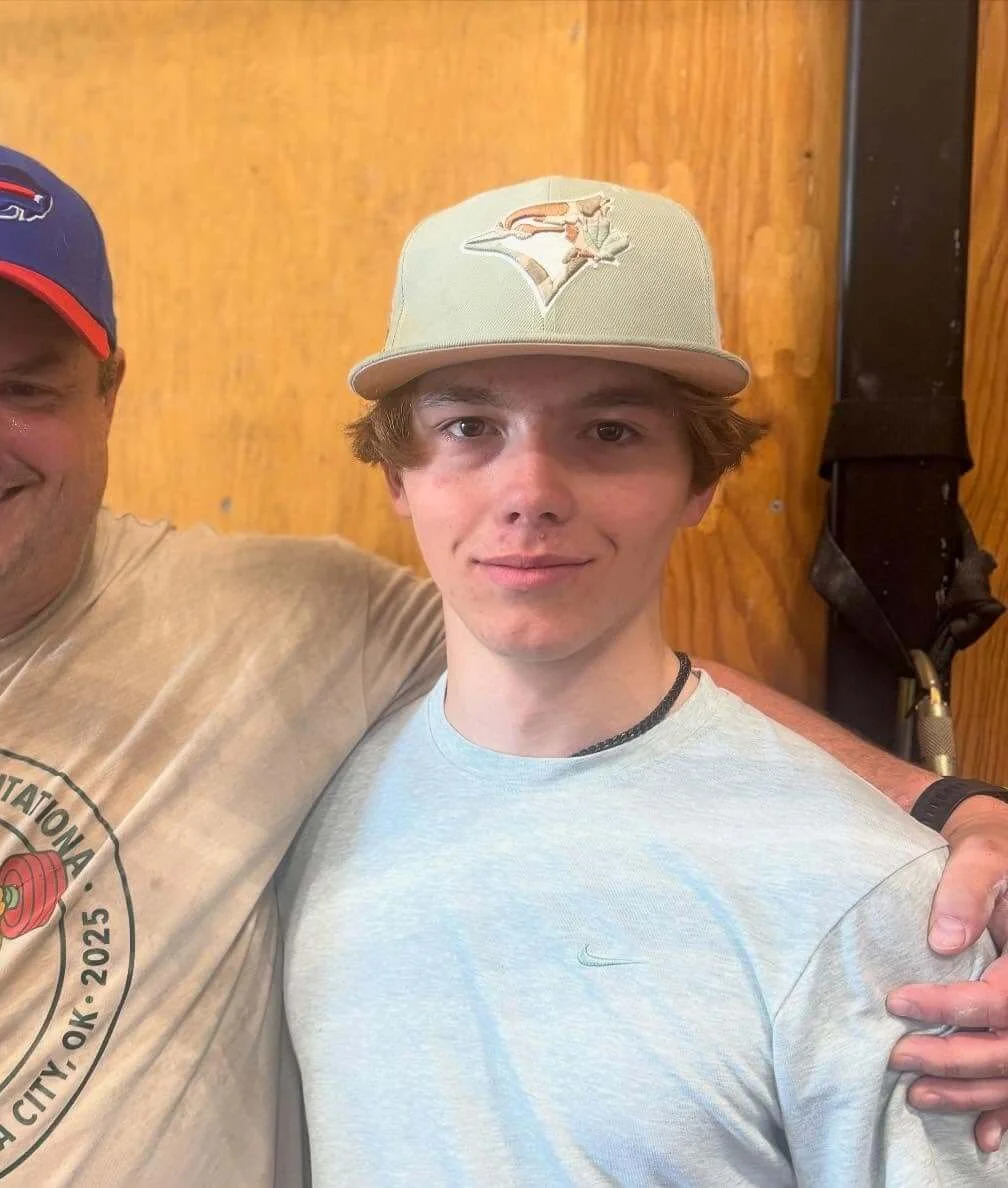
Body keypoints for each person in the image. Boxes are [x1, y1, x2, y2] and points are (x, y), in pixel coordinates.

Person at [0, 141, 1004, 1188]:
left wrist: (941, 816)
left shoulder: (285, 627)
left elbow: (587, 662)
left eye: (24, 384)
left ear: (108, 393)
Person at [280, 177, 1006, 1184]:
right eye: (468, 429)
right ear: (398, 478)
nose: (530, 494)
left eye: (609, 433)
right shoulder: (301, 805)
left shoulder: (874, 897)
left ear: (702, 481)